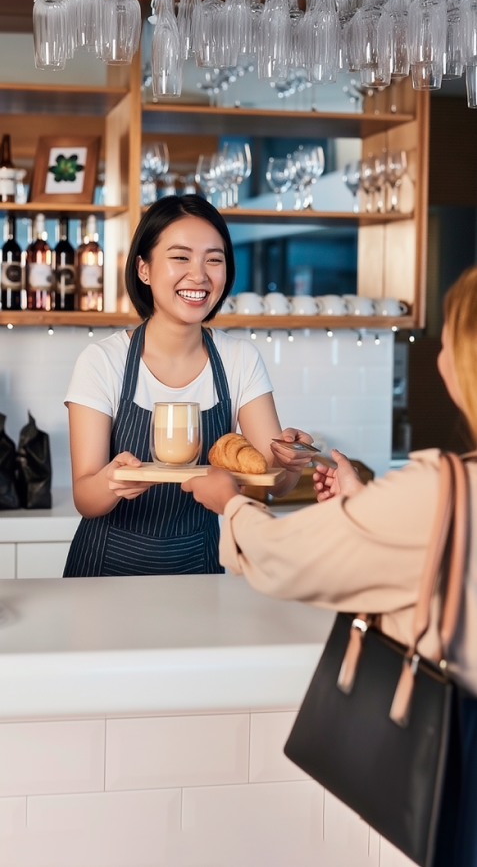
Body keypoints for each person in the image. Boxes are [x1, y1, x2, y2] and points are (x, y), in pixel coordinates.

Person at [183, 265, 477, 865]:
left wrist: (230, 504)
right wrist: (363, 506)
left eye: (448, 337)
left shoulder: (443, 490)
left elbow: (284, 560)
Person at [63, 195, 313, 577]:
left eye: (214, 260)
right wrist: (113, 481)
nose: (199, 275)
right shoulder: (103, 362)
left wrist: (290, 461)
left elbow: (271, 480)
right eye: (180, 257)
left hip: (201, 566)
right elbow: (85, 496)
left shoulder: (239, 360)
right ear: (143, 269)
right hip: (105, 568)